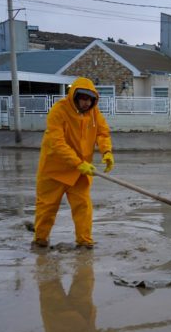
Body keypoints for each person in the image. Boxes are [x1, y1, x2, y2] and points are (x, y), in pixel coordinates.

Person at [33, 77, 113, 249]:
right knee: (47, 207)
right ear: (75, 97)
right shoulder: (59, 111)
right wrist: (78, 163)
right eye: (83, 99)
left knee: (83, 207)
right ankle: (40, 240)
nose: (86, 103)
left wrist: (106, 152)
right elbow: (57, 143)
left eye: (90, 100)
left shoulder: (94, 113)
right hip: (53, 170)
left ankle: (84, 242)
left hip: (79, 172)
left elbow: (102, 133)